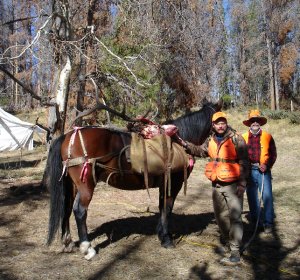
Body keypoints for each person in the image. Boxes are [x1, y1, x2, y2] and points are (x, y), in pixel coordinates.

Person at [178, 111, 249, 264]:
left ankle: (235, 251)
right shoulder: (210, 139)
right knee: (220, 217)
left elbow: (245, 161)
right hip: (216, 184)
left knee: (235, 217)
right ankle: (228, 243)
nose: (221, 125)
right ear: (213, 125)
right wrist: (185, 144)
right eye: (218, 123)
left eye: (223, 122)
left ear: (226, 123)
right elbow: (200, 151)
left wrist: (243, 183)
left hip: (233, 184)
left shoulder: (237, 138)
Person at [242, 110, 277, 233]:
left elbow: (273, 154)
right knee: (252, 198)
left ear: (260, 123)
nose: (255, 122)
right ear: (249, 123)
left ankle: (268, 223)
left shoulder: (268, 136)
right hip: (249, 171)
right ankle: (257, 222)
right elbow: (240, 156)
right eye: (252, 120)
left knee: (267, 196)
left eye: (257, 120)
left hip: (264, 171)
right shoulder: (243, 138)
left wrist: (267, 165)